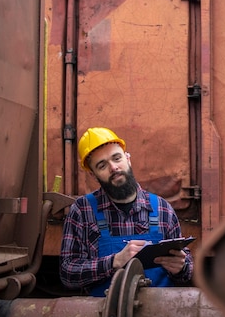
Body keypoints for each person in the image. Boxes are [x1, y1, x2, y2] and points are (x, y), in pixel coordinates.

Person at [60, 127, 193, 297]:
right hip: (104, 316)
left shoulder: (162, 209)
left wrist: (181, 268)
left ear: (128, 158)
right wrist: (114, 262)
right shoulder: (82, 211)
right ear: (93, 175)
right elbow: (67, 273)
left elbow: (186, 271)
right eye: (102, 165)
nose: (114, 167)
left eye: (117, 158)